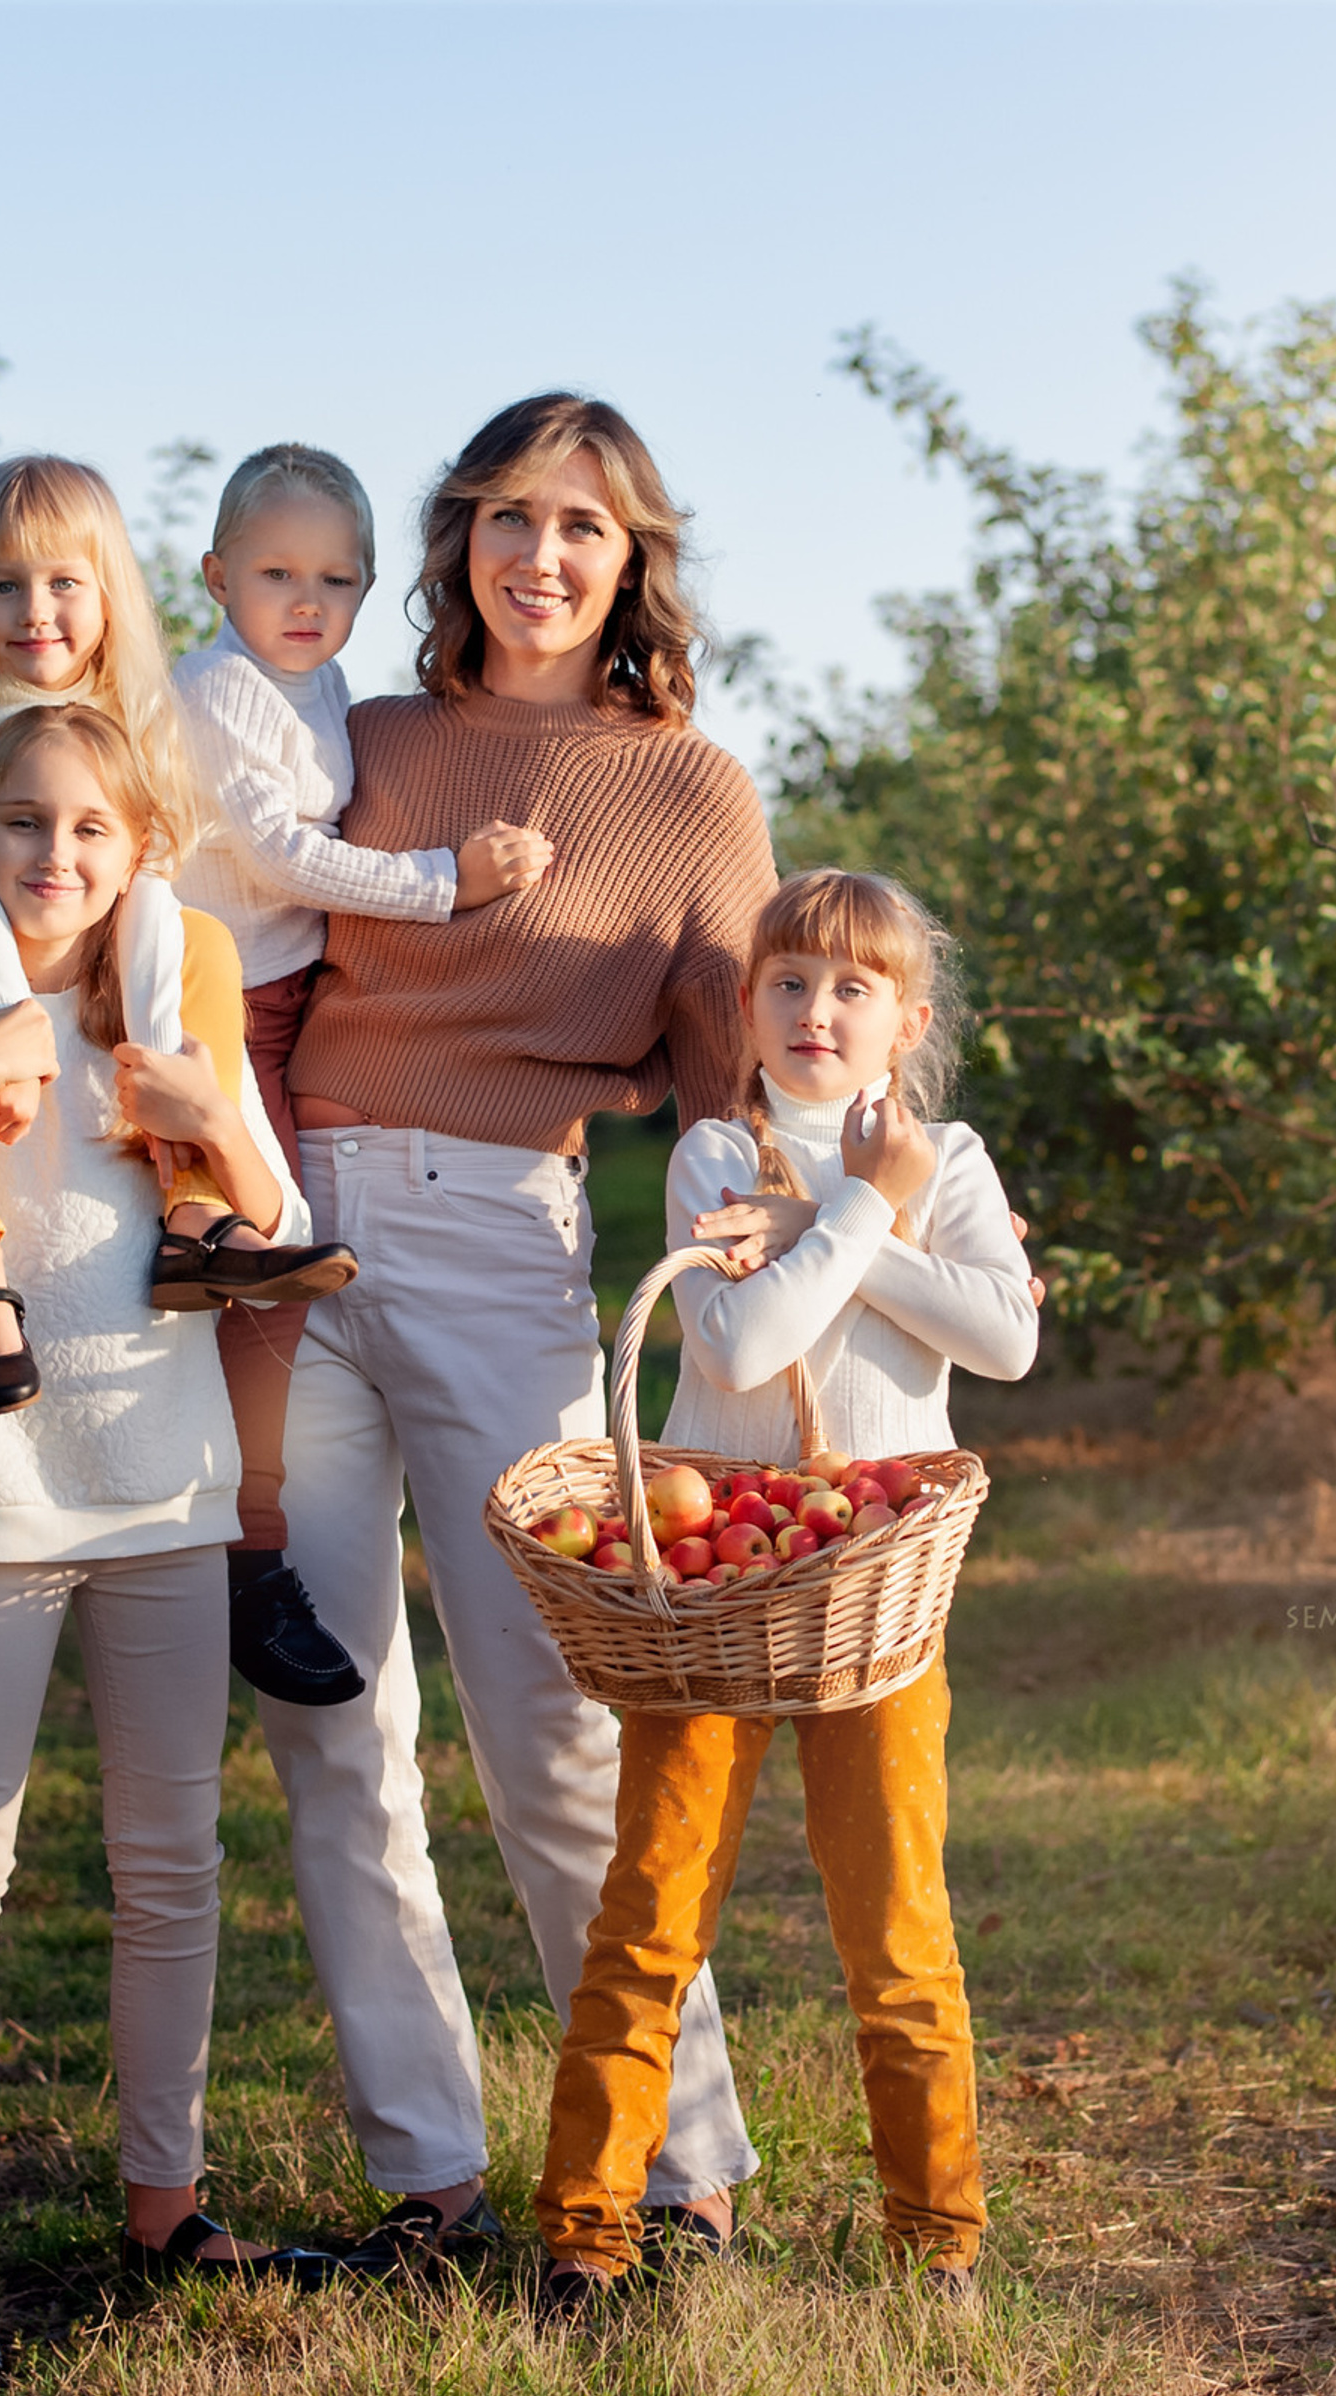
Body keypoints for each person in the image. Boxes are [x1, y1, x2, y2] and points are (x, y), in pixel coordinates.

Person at [264, 393, 775, 2281]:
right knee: (333, 1726)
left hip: (499, 1240)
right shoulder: (364, 740)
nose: (539, 557)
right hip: (294, 1235)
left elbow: (739, 1061)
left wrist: (847, 1197)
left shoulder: (691, 788)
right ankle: (431, 2181)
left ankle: (677, 2164)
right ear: (459, 537)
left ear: (632, 562)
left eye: (582, 526)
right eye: (507, 517)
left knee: (557, 1725)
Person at [0, 701, 334, 2396]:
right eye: (23, 823)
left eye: (92, 829)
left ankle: (164, 2207)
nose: (56, 855)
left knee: (169, 1863)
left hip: (167, 1485)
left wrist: (214, 1117)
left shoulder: (170, 1003)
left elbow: (275, 1233)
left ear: (138, 853)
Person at [534, 869, 1038, 2318]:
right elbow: (744, 1348)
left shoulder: (947, 1158)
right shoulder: (713, 1152)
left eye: (854, 988)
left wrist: (832, 1214)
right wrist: (865, 1216)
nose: (820, 1010)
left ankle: (937, 2235)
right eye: (791, 983)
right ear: (748, 1010)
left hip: (877, 1576)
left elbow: (1004, 1340)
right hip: (723, 1569)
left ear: (906, 1022)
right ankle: (586, 2231)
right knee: (653, 1906)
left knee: (897, 1922)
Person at [0, 454, 346, 1427]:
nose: (34, 612)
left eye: (63, 582)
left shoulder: (129, 714)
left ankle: (195, 1212)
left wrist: (159, 1055)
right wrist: (11, 1040)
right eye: (2, 586)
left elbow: (147, 887)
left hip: (23, 941)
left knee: (203, 940)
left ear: (108, 593)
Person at [174, 443, 553, 1705]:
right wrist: (447, 880)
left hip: (282, 1001)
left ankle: (224, 1534)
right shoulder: (221, 690)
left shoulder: (324, 684)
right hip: (219, 998)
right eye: (275, 574)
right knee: (269, 1256)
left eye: (336, 580)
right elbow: (284, 855)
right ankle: (244, 1555)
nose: (306, 601)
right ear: (216, 575)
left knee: (265, 1254)